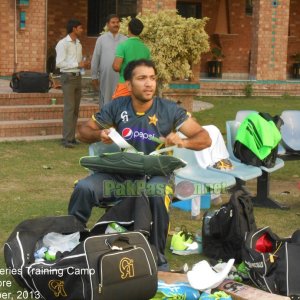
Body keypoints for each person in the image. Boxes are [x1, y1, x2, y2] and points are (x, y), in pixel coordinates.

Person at [68, 59, 212, 270]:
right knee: (84, 188)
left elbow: (204, 138)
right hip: (120, 173)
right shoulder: (117, 107)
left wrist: (183, 141)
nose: (149, 84)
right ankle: (72, 240)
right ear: (129, 84)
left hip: (156, 174)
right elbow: (82, 132)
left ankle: (157, 257)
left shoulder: (169, 109)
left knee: (156, 192)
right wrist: (99, 133)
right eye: (142, 78)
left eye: (152, 78)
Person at [56, 19, 90, 148]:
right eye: (80, 28)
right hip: (68, 78)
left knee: (75, 109)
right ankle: (66, 139)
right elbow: (59, 63)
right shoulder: (63, 44)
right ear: (74, 29)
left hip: (77, 77)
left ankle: (71, 137)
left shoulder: (78, 44)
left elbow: (78, 62)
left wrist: (83, 67)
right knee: (69, 108)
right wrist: (77, 64)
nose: (82, 30)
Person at [91, 14, 127, 108]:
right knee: (105, 103)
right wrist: (94, 76)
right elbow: (96, 58)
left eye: (117, 22)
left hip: (121, 78)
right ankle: (105, 122)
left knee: (120, 102)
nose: (116, 24)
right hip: (105, 77)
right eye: (113, 22)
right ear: (107, 25)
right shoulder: (101, 39)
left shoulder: (125, 40)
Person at [111, 18, 150, 99]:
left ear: (128, 28)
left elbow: (116, 66)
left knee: (119, 109)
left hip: (125, 83)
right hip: (140, 85)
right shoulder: (145, 48)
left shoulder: (123, 46)